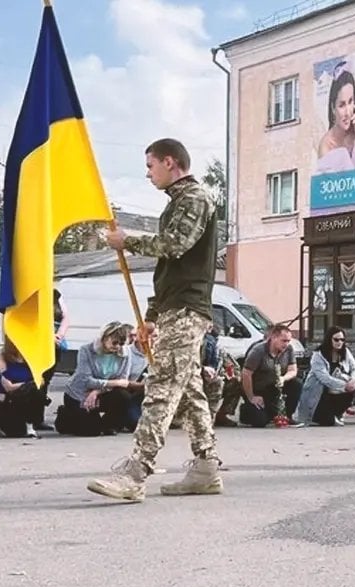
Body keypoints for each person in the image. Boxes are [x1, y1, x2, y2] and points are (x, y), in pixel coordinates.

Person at [87, 138, 224, 502]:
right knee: (191, 393)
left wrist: (125, 240)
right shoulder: (178, 203)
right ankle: (206, 468)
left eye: (150, 166)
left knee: (160, 390)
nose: (147, 174)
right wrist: (151, 318)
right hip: (175, 308)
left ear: (170, 162)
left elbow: (175, 245)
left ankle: (135, 475)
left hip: (187, 309)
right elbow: (169, 270)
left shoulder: (195, 198)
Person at [57, 322, 136, 437]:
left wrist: (97, 391)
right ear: (104, 338)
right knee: (90, 431)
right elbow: (86, 380)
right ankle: (66, 415)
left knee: (123, 396)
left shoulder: (125, 353)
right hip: (79, 393)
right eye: (114, 342)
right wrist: (113, 383)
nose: (118, 346)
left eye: (121, 343)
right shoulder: (86, 350)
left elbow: (122, 380)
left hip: (101, 392)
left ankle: (108, 425)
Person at [295, 326, 355, 427]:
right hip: (319, 394)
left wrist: (354, 381)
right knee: (327, 422)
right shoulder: (318, 355)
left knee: (351, 390)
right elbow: (324, 378)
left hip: (337, 391)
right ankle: (320, 416)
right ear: (329, 339)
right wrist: (345, 385)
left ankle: (337, 414)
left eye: (342, 340)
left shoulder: (345, 352)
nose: (339, 342)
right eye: (336, 339)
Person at [0, 338, 44, 439]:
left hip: (24, 397)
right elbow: (8, 386)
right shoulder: (3, 357)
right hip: (5, 397)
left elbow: (41, 381)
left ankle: (30, 425)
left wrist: (29, 386)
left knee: (37, 393)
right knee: (14, 433)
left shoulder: (32, 358)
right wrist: (28, 384)